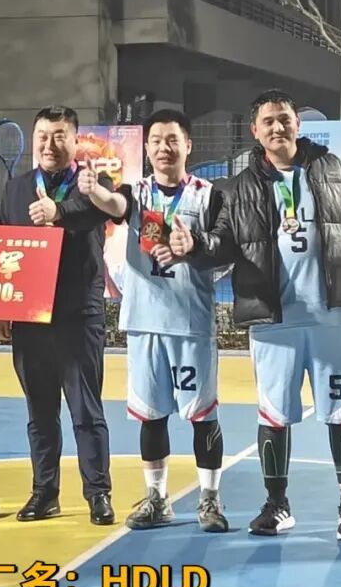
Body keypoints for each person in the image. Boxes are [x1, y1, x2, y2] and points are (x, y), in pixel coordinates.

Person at [175, 89, 341, 540]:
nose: (277, 127)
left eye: (284, 118)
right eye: (267, 121)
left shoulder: (332, 169)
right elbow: (223, 244)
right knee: (274, 414)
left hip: (332, 317)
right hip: (274, 321)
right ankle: (277, 505)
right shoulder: (240, 187)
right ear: (255, 130)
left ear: (297, 124)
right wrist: (195, 247)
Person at [78, 108, 230, 531]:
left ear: (188, 146)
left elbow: (222, 247)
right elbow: (115, 205)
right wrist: (94, 191)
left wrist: (192, 246)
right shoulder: (138, 192)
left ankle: (210, 499)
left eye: (173, 140)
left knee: (202, 415)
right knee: (151, 414)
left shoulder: (208, 196)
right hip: (145, 323)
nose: (165, 148)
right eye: (157, 141)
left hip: (191, 323)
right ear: (147, 149)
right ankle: (157, 499)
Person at [0, 105, 115, 525]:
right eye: (43, 136)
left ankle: (98, 494)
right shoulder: (16, 189)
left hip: (78, 315)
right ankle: (44, 493)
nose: (49, 144)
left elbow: (97, 212)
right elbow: (1, 247)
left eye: (59, 135)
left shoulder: (93, 182)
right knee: (40, 414)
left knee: (86, 412)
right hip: (30, 318)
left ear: (75, 140)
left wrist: (57, 213)